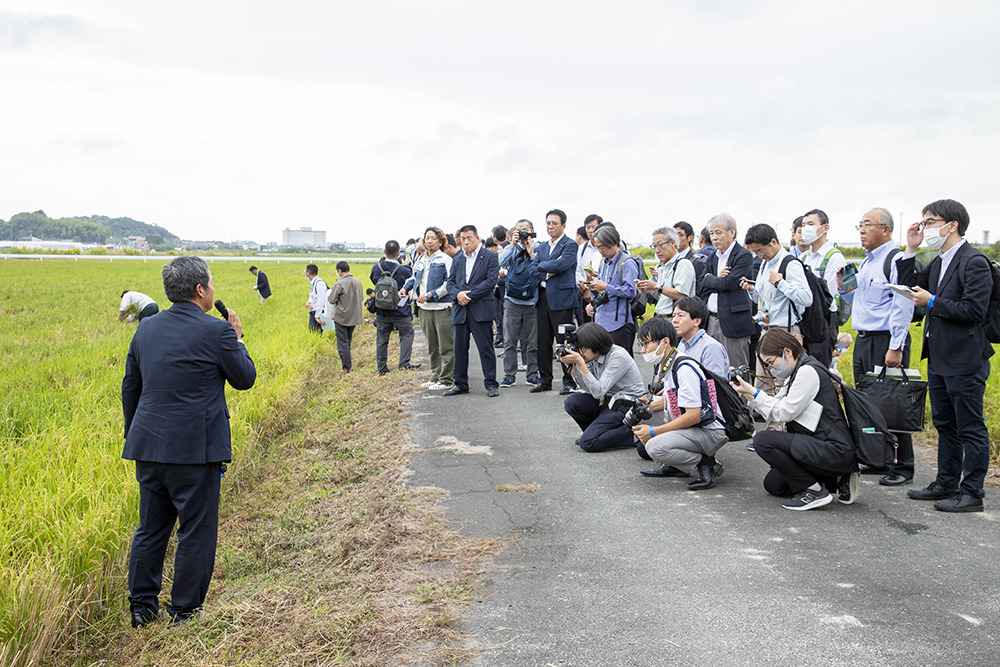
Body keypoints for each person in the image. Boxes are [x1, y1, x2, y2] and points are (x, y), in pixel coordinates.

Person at [122, 256, 256, 627]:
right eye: (211, 284)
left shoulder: (145, 329)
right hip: (196, 450)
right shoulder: (217, 332)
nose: (213, 289)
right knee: (195, 529)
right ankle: (183, 610)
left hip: (148, 447)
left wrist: (135, 434)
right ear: (200, 290)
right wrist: (238, 339)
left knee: (151, 528)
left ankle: (142, 608)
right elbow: (244, 378)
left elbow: (130, 387)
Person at [896, 199, 994, 513]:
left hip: (965, 357)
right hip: (939, 356)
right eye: (923, 222)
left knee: (969, 426)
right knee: (945, 424)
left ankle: (972, 492)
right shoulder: (939, 260)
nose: (925, 228)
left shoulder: (973, 260)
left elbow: (975, 311)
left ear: (952, 225)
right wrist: (911, 250)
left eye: (930, 222)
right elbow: (912, 286)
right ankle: (946, 482)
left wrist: (933, 301)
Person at [731, 330, 860, 511]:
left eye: (771, 363)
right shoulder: (796, 371)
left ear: (788, 352)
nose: (771, 369)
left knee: (763, 440)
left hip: (833, 448)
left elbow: (784, 412)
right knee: (774, 485)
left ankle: (815, 491)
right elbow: (776, 406)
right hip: (816, 443)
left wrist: (754, 393)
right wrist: (748, 393)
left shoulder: (808, 371)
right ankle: (837, 479)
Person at [836, 208, 916, 487]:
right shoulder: (868, 262)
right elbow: (858, 299)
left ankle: (904, 465)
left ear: (885, 229)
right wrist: (843, 286)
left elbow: (902, 305)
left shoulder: (895, 259)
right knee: (868, 402)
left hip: (885, 339)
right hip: (864, 337)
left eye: (867, 225)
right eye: (860, 225)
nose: (861, 230)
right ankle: (880, 458)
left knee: (893, 402)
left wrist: (896, 346)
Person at [631, 318, 728, 489]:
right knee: (641, 416)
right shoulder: (670, 363)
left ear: (665, 342)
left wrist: (654, 431)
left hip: (708, 430)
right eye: (641, 345)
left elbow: (694, 415)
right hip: (692, 426)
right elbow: (675, 397)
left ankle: (706, 463)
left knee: (654, 447)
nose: (644, 350)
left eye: (646, 344)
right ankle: (676, 466)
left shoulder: (684, 368)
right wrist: (651, 405)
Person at [740, 223, 813, 430]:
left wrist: (782, 283)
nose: (759, 255)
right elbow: (767, 297)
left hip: (786, 332)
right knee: (763, 383)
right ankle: (769, 433)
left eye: (760, 250)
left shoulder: (789, 263)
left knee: (783, 384)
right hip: (767, 330)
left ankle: (783, 433)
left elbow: (806, 298)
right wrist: (752, 290)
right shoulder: (766, 263)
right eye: (755, 252)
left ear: (773, 242)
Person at [559, 323, 645, 452]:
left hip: (626, 405)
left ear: (595, 345)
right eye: (578, 348)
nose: (580, 353)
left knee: (588, 442)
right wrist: (573, 369)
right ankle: (598, 433)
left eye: (582, 348)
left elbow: (598, 392)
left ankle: (632, 433)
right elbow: (590, 390)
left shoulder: (617, 356)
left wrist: (581, 363)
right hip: (608, 400)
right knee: (572, 402)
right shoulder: (592, 356)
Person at [445, 225, 500, 397]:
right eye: (463, 238)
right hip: (460, 310)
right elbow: (450, 283)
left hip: (480, 308)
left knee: (485, 348)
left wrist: (468, 295)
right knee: (460, 348)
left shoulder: (490, 256)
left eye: (469, 238)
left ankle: (491, 384)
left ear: (477, 238)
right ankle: (460, 383)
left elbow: (491, 281)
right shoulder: (458, 259)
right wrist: (457, 295)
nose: (466, 241)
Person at [531, 209, 579, 394]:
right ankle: (545, 380)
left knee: (564, 342)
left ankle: (569, 381)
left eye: (555, 223)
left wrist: (547, 266)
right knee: (542, 342)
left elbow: (562, 264)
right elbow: (532, 269)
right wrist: (548, 270)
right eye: (548, 223)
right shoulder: (542, 247)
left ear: (564, 225)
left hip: (562, 300)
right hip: (542, 299)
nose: (551, 226)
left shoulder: (570, 245)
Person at [697, 213, 755, 369]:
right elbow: (701, 285)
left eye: (718, 232)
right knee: (712, 367)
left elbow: (730, 283)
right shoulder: (713, 257)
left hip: (733, 322)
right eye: (711, 233)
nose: (714, 237)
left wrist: (711, 279)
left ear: (732, 233)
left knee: (736, 371)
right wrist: (717, 278)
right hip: (711, 320)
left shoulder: (743, 255)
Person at [402, 226, 455, 390]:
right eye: (427, 238)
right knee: (432, 345)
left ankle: (447, 379)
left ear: (440, 242)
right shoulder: (420, 259)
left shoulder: (446, 260)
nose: (429, 241)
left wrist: (432, 294)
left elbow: (450, 283)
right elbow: (414, 277)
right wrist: (405, 288)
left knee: (445, 344)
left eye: (433, 238)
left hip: (441, 306)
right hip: (424, 308)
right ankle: (435, 375)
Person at [800, 209, 846, 367]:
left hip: (823, 319)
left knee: (818, 367)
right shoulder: (804, 257)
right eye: (804, 225)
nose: (806, 228)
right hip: (805, 318)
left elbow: (829, 295)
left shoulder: (834, 257)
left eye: (811, 224)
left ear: (825, 228)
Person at [498, 219, 540, 388]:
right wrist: (512, 244)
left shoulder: (539, 248)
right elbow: (501, 262)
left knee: (533, 342)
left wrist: (530, 251)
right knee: (509, 340)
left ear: (532, 231)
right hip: (512, 300)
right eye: (519, 230)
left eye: (525, 230)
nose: (523, 233)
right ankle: (509, 375)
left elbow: (541, 266)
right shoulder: (512, 248)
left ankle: (532, 374)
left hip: (532, 301)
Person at [370, 241, 421, 376]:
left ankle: (382, 368)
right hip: (400, 310)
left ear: (384, 252)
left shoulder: (376, 268)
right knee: (407, 333)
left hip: (382, 310)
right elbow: (411, 282)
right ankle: (404, 362)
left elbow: (374, 281)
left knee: (382, 340)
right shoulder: (403, 270)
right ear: (398, 254)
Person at [586, 224, 638, 356]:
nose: (600, 251)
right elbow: (601, 292)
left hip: (619, 324)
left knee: (620, 364)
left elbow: (631, 291)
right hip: (601, 321)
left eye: (602, 247)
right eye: (597, 247)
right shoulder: (603, 262)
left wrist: (606, 287)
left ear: (613, 243)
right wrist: (593, 297)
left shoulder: (627, 263)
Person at [638, 226, 695, 320]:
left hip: (675, 320)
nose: (657, 250)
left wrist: (656, 286)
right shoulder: (663, 266)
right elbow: (662, 297)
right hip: (661, 318)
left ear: (673, 243)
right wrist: (649, 289)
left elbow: (681, 295)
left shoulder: (683, 264)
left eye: (660, 245)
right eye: (654, 246)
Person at [672, 296, 730, 378]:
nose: (675, 320)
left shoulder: (710, 347)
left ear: (697, 321)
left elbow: (714, 385)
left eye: (680, 315)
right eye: (674, 315)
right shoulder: (681, 344)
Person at [325, 261, 363, 372]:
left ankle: (347, 367)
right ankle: (348, 363)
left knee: (342, 343)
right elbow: (360, 299)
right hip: (355, 316)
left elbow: (331, 300)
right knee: (348, 341)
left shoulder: (339, 283)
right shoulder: (358, 282)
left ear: (339, 271)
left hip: (341, 317)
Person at [576, 214, 602, 326]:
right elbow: (577, 270)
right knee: (586, 328)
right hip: (584, 295)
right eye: (588, 228)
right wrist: (585, 289)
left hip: (602, 294)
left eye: (593, 227)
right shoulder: (582, 248)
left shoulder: (607, 248)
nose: (590, 230)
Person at [303, 264, 328, 334]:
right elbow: (314, 298)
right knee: (312, 335)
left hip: (316, 315)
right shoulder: (314, 283)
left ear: (308, 273)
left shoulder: (319, 284)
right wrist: (307, 303)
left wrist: (317, 316)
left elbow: (321, 301)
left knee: (315, 335)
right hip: (313, 313)